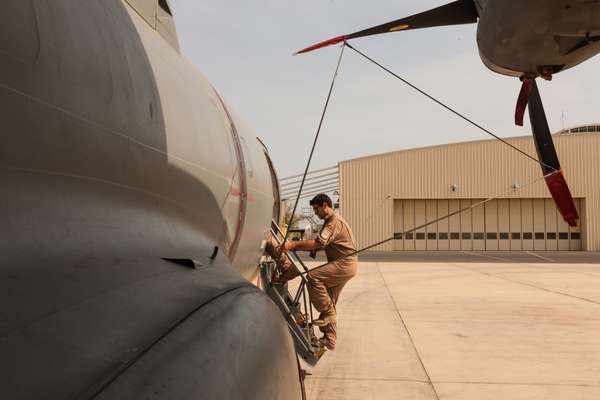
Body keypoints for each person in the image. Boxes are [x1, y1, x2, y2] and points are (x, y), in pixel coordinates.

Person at [279, 193, 358, 351]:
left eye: (316, 209)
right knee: (328, 300)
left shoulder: (333, 223)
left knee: (312, 277)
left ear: (324, 206)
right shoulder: (330, 221)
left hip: (344, 264)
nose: (315, 213)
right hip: (345, 265)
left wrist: (292, 245)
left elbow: (317, 243)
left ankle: (329, 314)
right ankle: (330, 340)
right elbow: (320, 246)